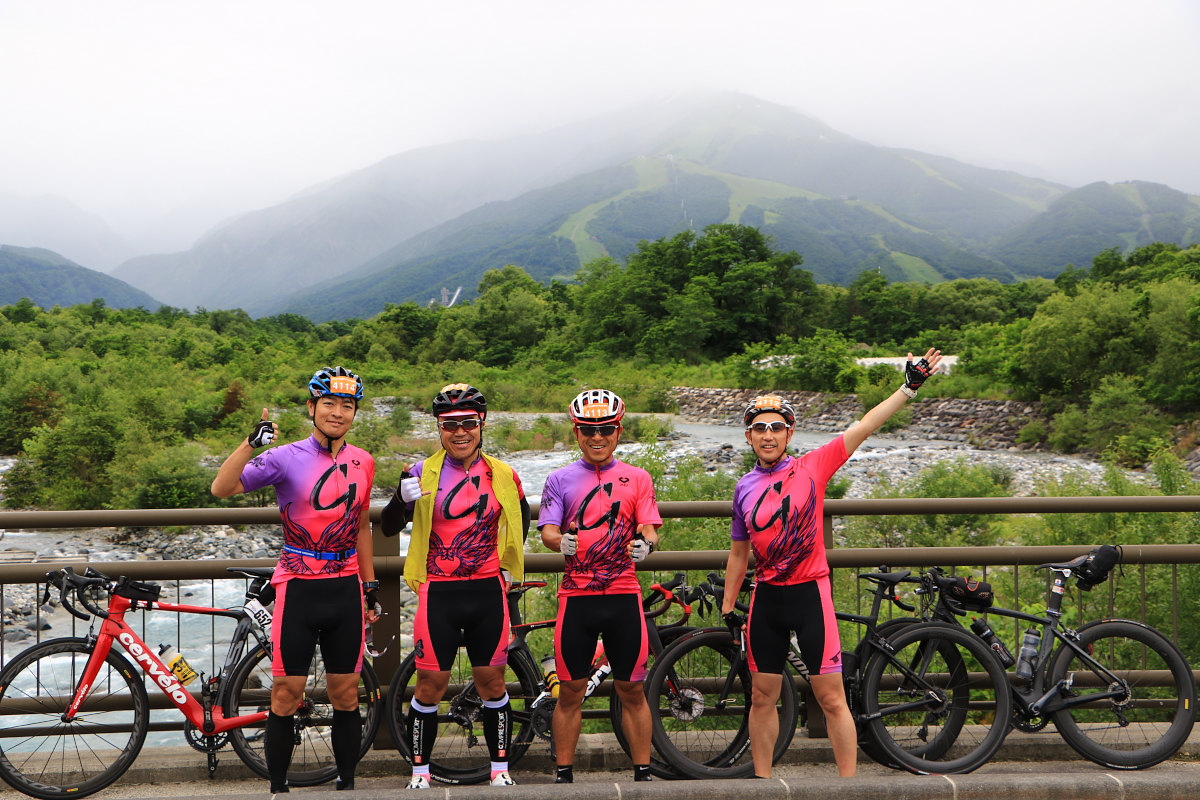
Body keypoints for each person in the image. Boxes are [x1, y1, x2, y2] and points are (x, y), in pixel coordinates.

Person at [720, 350, 941, 779]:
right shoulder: (744, 487)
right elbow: (738, 551)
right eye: (759, 429)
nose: (768, 435)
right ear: (748, 437)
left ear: (790, 433)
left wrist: (908, 387)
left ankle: (848, 786)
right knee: (763, 697)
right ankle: (763, 782)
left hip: (809, 593)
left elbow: (865, 426)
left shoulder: (813, 467)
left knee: (832, 697)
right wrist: (730, 605)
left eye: (776, 427)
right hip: (766, 599)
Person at [211, 366, 379, 796]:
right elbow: (222, 488)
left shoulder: (364, 461)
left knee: (345, 694)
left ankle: (346, 784)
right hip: (298, 586)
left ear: (354, 412)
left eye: (347, 405)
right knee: (285, 693)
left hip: (344, 588)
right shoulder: (286, 457)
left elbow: (361, 526)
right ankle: (279, 788)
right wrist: (251, 443)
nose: (338, 413)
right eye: (329, 403)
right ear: (312, 407)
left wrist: (370, 584)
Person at [380, 383, 529, 789]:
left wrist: (504, 564)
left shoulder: (503, 474)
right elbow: (390, 527)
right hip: (438, 593)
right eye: (450, 425)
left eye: (467, 423)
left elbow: (522, 517)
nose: (459, 432)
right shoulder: (421, 472)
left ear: (481, 424)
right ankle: (419, 772)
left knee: (493, 682)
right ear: (439, 429)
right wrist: (400, 499)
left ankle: (500, 769)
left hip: (486, 590)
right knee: (430, 684)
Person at [538, 389, 662, 784]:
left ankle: (642, 774)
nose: (597, 437)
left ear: (618, 431)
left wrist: (647, 544)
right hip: (577, 597)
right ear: (576, 432)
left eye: (605, 429)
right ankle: (563, 775)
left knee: (632, 690)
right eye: (588, 430)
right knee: (570, 692)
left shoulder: (638, 477)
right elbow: (548, 530)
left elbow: (649, 525)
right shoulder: (559, 479)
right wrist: (561, 542)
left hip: (624, 595)